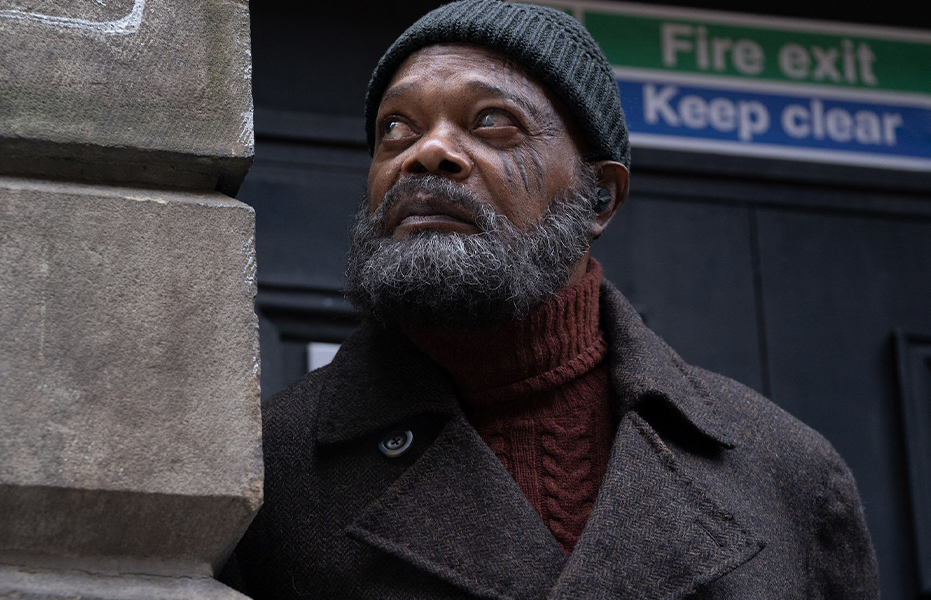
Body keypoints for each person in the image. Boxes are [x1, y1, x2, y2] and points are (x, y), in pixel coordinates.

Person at [222, 1, 880, 597]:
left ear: (600, 197)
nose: (429, 152)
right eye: (397, 127)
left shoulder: (785, 471)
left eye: (492, 123)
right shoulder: (266, 472)